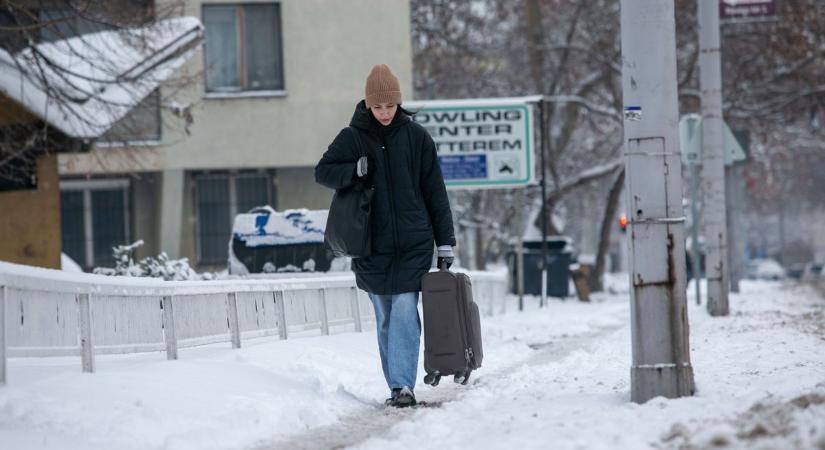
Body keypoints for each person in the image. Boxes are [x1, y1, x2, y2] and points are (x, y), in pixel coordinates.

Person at [314, 64, 456, 408]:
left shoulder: (417, 137)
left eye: (389, 106)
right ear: (367, 104)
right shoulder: (352, 137)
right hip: (371, 244)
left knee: (406, 308)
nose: (384, 113)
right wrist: (353, 171)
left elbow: (435, 192)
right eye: (377, 107)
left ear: (398, 103)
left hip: (413, 243)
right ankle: (396, 384)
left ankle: (402, 386)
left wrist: (445, 240)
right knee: (385, 315)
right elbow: (322, 172)